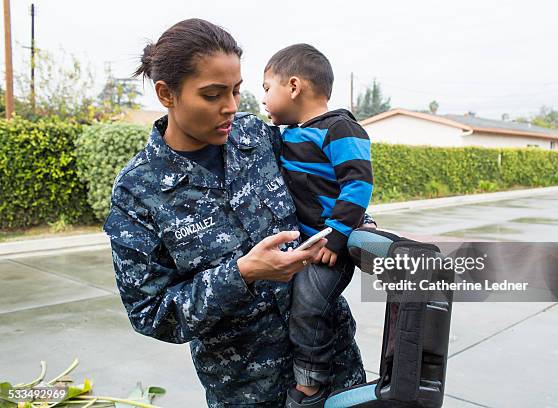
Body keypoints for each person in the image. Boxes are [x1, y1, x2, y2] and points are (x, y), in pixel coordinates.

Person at [103, 19, 376, 407]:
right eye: (213, 94)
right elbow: (151, 313)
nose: (231, 107)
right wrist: (243, 274)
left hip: (335, 368)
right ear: (167, 94)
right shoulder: (138, 190)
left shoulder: (257, 138)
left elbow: (329, 181)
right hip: (248, 391)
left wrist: (355, 225)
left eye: (235, 90)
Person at [262, 44, 374, 406]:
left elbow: (359, 183)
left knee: (310, 304)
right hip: (308, 244)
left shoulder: (341, 128)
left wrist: (338, 235)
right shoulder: (289, 134)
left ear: (293, 86)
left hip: (330, 245)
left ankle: (312, 382)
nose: (262, 98)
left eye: (267, 88)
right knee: (298, 303)